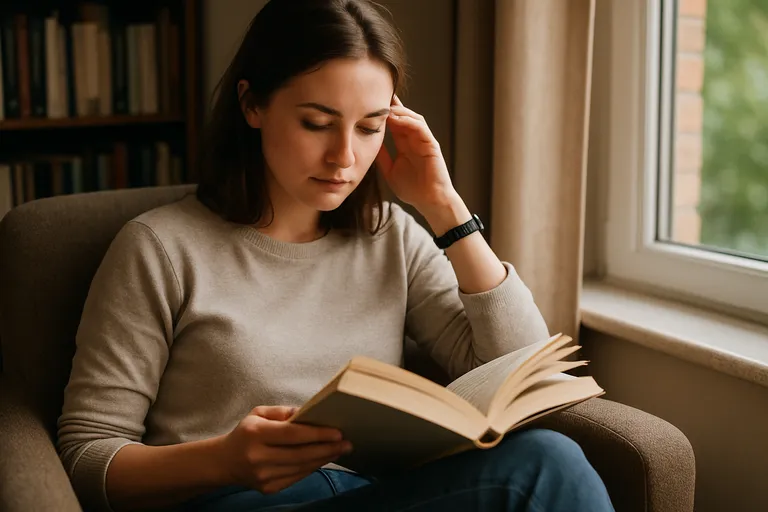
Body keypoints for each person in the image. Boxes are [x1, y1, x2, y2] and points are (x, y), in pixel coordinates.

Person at [56, 0, 615, 511]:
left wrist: (445, 207)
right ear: (252, 105)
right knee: (546, 469)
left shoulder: (391, 238)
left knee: (547, 451)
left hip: (372, 494)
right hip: (232, 502)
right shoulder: (161, 248)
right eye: (317, 123)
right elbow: (86, 457)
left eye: (370, 127)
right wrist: (224, 459)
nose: (344, 156)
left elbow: (528, 379)